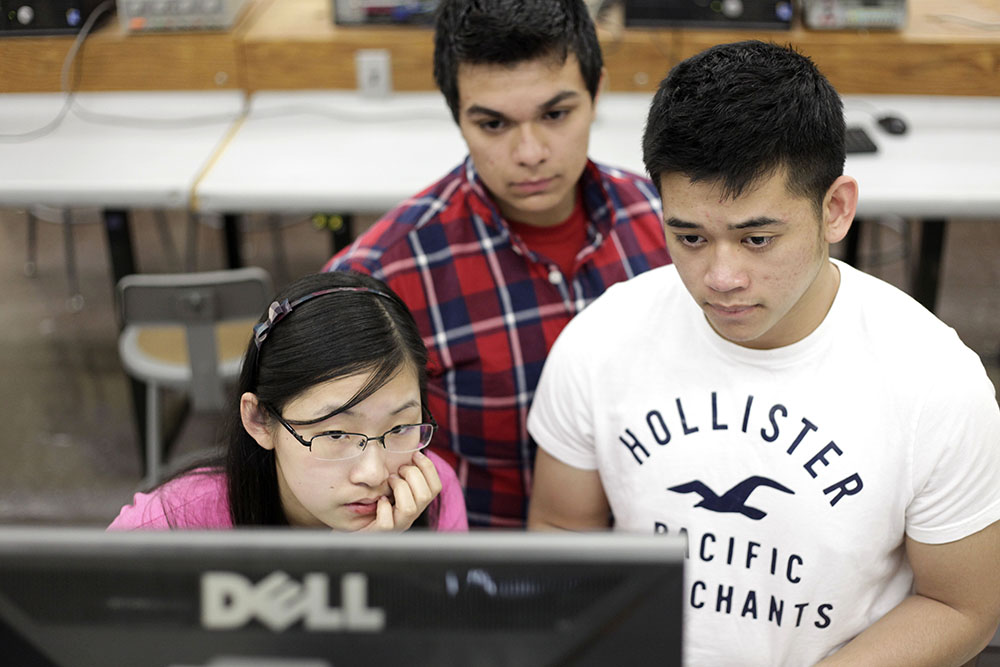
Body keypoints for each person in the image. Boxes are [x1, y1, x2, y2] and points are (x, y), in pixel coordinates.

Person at [526, 40, 1000, 665]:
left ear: (835, 209)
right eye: (690, 236)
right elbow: (563, 532)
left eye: (757, 238)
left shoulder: (935, 381)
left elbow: (960, 604)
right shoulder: (601, 339)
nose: (720, 276)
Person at [324, 0, 670, 528]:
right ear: (457, 115)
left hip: (658, 558)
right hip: (478, 574)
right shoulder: (380, 278)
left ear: (597, 92)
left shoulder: (671, 227)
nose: (530, 152)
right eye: (493, 123)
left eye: (556, 115)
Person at [110, 271, 468, 532]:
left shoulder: (434, 495)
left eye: (401, 428)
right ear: (259, 420)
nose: (374, 474)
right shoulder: (172, 525)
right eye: (335, 434)